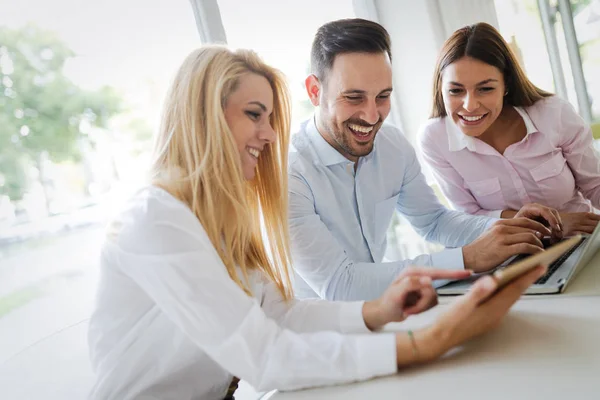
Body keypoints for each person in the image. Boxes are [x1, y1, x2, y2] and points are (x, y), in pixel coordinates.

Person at [87, 45, 546, 400]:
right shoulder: (156, 218)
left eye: (269, 118)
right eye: (253, 115)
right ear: (203, 116)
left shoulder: (215, 215)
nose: (268, 135)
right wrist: (429, 342)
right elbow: (263, 354)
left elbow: (278, 313)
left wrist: (380, 310)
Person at [288, 18, 558, 301]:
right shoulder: (289, 174)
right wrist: (467, 258)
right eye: (354, 98)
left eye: (383, 96)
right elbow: (340, 285)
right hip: (315, 331)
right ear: (315, 91)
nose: (371, 116)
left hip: (378, 311)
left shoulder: (392, 145)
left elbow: (433, 221)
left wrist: (508, 229)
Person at [418, 22, 600, 237]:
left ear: (506, 85)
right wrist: (546, 223)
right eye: (455, 90)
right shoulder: (435, 139)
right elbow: (467, 217)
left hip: (583, 241)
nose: (470, 105)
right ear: (441, 88)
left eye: (485, 89)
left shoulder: (553, 114)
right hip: (512, 257)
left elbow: (595, 184)